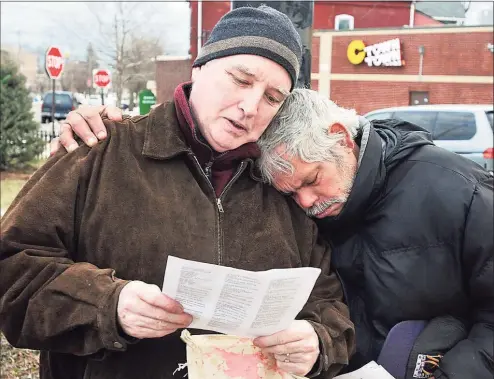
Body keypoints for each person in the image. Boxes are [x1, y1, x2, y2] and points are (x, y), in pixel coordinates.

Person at [0, 7, 355, 379]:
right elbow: (12, 270)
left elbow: (326, 301)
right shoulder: (101, 149)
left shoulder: (282, 186)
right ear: (199, 67)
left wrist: (317, 342)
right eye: (240, 79)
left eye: (272, 98)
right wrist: (108, 305)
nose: (250, 107)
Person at [61, 89, 493, 379]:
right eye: (292, 193)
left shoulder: (457, 192)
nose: (305, 203)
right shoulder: (325, 203)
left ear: (340, 138)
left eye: (311, 180)